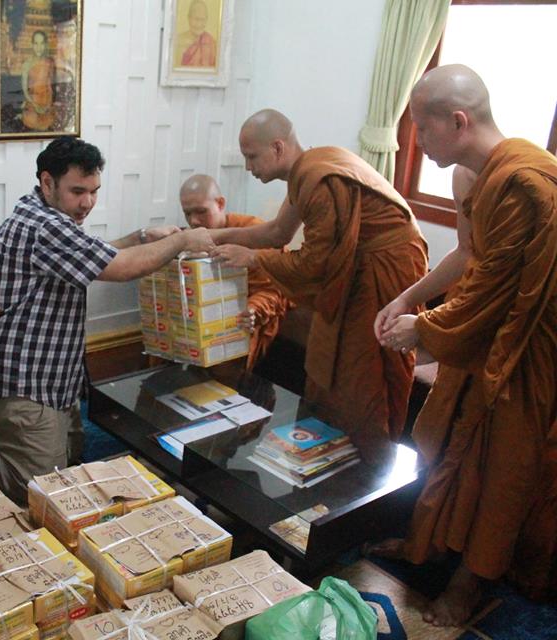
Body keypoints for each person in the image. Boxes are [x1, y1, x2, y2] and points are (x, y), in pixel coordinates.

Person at [0, 137, 215, 503]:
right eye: (78, 191)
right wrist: (182, 241)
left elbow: (91, 255)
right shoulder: (45, 227)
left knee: (71, 457)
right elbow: (122, 268)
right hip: (23, 384)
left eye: (94, 191)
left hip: (47, 377)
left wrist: (142, 237)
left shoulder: (41, 213)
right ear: (47, 183)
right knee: (37, 490)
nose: (88, 202)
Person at [373, 64, 557, 627]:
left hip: (525, 349)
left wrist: (424, 329)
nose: (416, 140)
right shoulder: (476, 175)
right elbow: (473, 259)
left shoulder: (524, 183)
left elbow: (494, 291)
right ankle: (427, 542)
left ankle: (467, 585)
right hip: (482, 335)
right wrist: (409, 298)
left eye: (422, 128)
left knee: (501, 473)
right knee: (446, 439)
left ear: (457, 121)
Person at [209, 109, 429, 447]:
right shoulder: (308, 170)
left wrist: (253, 258)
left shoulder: (319, 178)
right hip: (359, 269)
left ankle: (364, 456)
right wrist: (215, 237)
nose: (248, 167)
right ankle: (324, 447)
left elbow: (315, 264)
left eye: (251, 157)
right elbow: (277, 232)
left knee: (362, 377)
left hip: (382, 271)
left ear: (277, 148)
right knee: (330, 363)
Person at [179, 174, 292, 371]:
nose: (194, 221)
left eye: (201, 211)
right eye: (187, 213)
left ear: (220, 204)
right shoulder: (189, 239)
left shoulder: (253, 232)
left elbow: (274, 289)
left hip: (245, 313)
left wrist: (253, 309)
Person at [21, 30, 56, 131]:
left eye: (41, 43)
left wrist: (47, 106)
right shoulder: (27, 64)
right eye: (36, 43)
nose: (39, 47)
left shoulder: (49, 62)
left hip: (46, 102)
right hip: (32, 101)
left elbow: (50, 87)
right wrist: (35, 105)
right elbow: (25, 90)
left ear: (45, 45)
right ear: (32, 45)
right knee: (31, 122)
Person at [178, 0, 216, 67]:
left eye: (202, 19)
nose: (199, 24)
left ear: (206, 19)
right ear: (189, 18)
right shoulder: (178, 41)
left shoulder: (212, 43)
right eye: (196, 19)